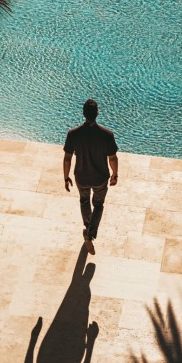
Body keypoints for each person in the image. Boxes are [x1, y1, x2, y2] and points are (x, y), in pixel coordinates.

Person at [63, 98, 118, 255]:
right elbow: (112, 158)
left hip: (81, 177)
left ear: (83, 114)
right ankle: (90, 234)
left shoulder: (73, 134)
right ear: (97, 114)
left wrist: (65, 177)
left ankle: (88, 228)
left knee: (84, 201)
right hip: (100, 177)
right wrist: (115, 174)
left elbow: (67, 158)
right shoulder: (107, 135)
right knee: (98, 204)